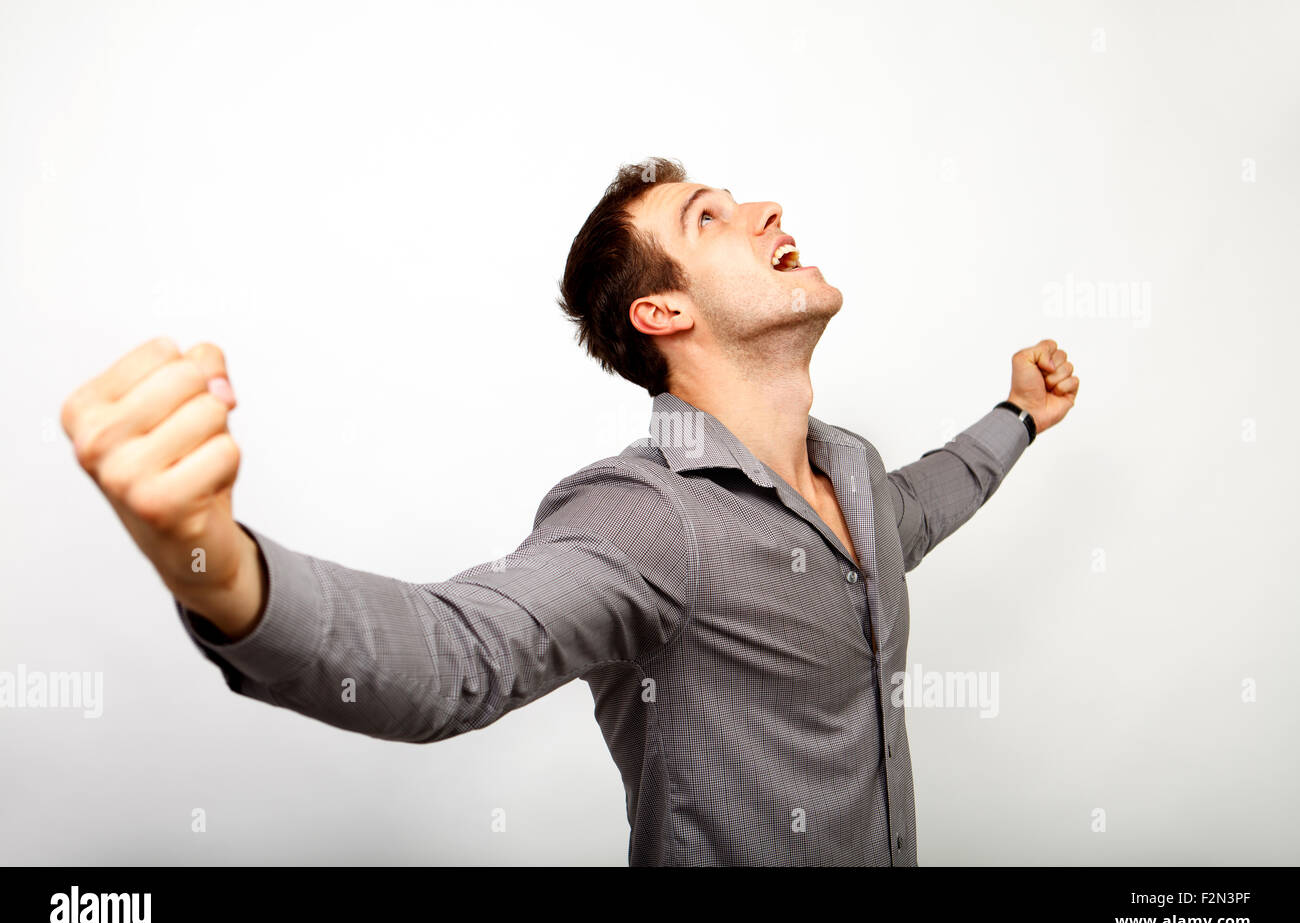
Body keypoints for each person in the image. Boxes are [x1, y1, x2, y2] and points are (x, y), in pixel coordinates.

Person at [60, 157, 1079, 866]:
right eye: (709, 217)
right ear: (662, 312)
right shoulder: (648, 514)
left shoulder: (849, 468)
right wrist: (211, 560)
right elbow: (455, 652)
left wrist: (1018, 416)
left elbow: (916, 509)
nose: (766, 208)